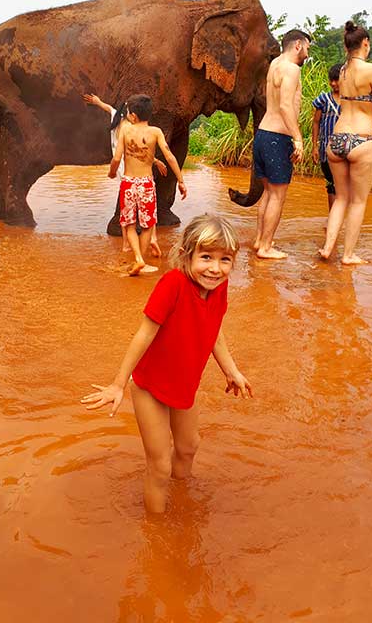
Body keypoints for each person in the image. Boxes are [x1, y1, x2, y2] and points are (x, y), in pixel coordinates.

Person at [81, 214, 253, 514]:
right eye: (206, 257)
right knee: (159, 465)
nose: (215, 268)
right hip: (150, 386)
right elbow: (144, 334)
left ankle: (182, 506)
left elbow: (214, 330)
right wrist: (117, 384)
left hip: (185, 384)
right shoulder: (173, 283)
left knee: (188, 448)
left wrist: (232, 370)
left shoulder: (217, 287)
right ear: (187, 255)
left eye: (225, 260)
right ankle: (157, 534)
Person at [318, 21, 372, 265]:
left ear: (346, 45)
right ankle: (348, 255)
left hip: (337, 140)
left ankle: (327, 247)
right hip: (361, 140)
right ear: (366, 44)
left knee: (340, 198)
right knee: (358, 201)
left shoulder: (341, 72)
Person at [109, 93, 187, 276]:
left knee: (128, 225)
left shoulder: (125, 132)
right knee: (147, 225)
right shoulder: (156, 132)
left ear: (133, 115)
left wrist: (112, 172)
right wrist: (181, 181)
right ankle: (141, 260)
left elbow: (116, 158)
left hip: (128, 184)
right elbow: (169, 156)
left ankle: (138, 258)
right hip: (146, 184)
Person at [83, 93, 166, 257]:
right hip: (132, 165)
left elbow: (108, 108)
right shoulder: (133, 126)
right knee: (148, 207)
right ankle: (153, 238)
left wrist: (97, 101)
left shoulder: (118, 120)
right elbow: (139, 150)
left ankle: (127, 244)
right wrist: (155, 161)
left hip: (123, 165)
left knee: (126, 209)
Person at [252, 29, 310, 259]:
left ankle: (259, 241)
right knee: (277, 195)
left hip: (263, 135)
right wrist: (298, 138)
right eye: (307, 47)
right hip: (278, 137)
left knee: (268, 192)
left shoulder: (275, 64)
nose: (307, 53)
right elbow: (286, 106)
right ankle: (266, 247)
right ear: (298, 45)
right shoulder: (292, 69)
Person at [311, 63, 342, 210]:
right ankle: (333, 219)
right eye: (331, 80)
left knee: (344, 185)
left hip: (345, 150)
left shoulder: (350, 100)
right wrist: (314, 147)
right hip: (326, 150)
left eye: (337, 80)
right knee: (331, 185)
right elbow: (316, 122)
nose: (333, 83)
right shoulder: (323, 99)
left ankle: (340, 219)